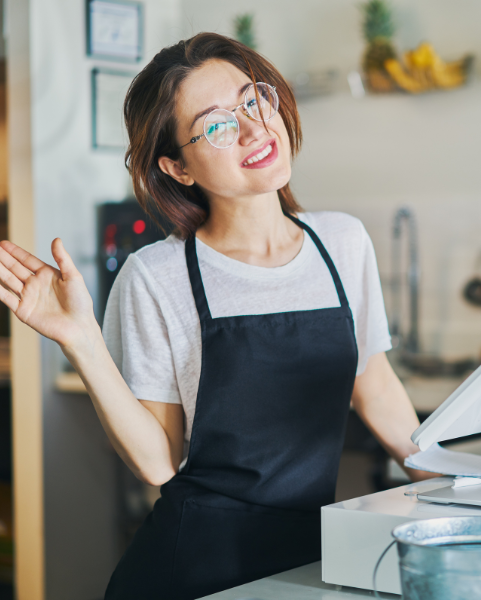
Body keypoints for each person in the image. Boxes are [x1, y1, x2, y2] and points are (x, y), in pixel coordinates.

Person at [0, 32, 432, 600]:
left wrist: (460, 480)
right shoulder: (156, 275)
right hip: (194, 570)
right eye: (217, 124)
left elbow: (374, 388)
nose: (253, 129)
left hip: (313, 558)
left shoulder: (343, 243)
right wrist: (81, 340)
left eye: (253, 99)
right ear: (178, 167)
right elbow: (158, 463)